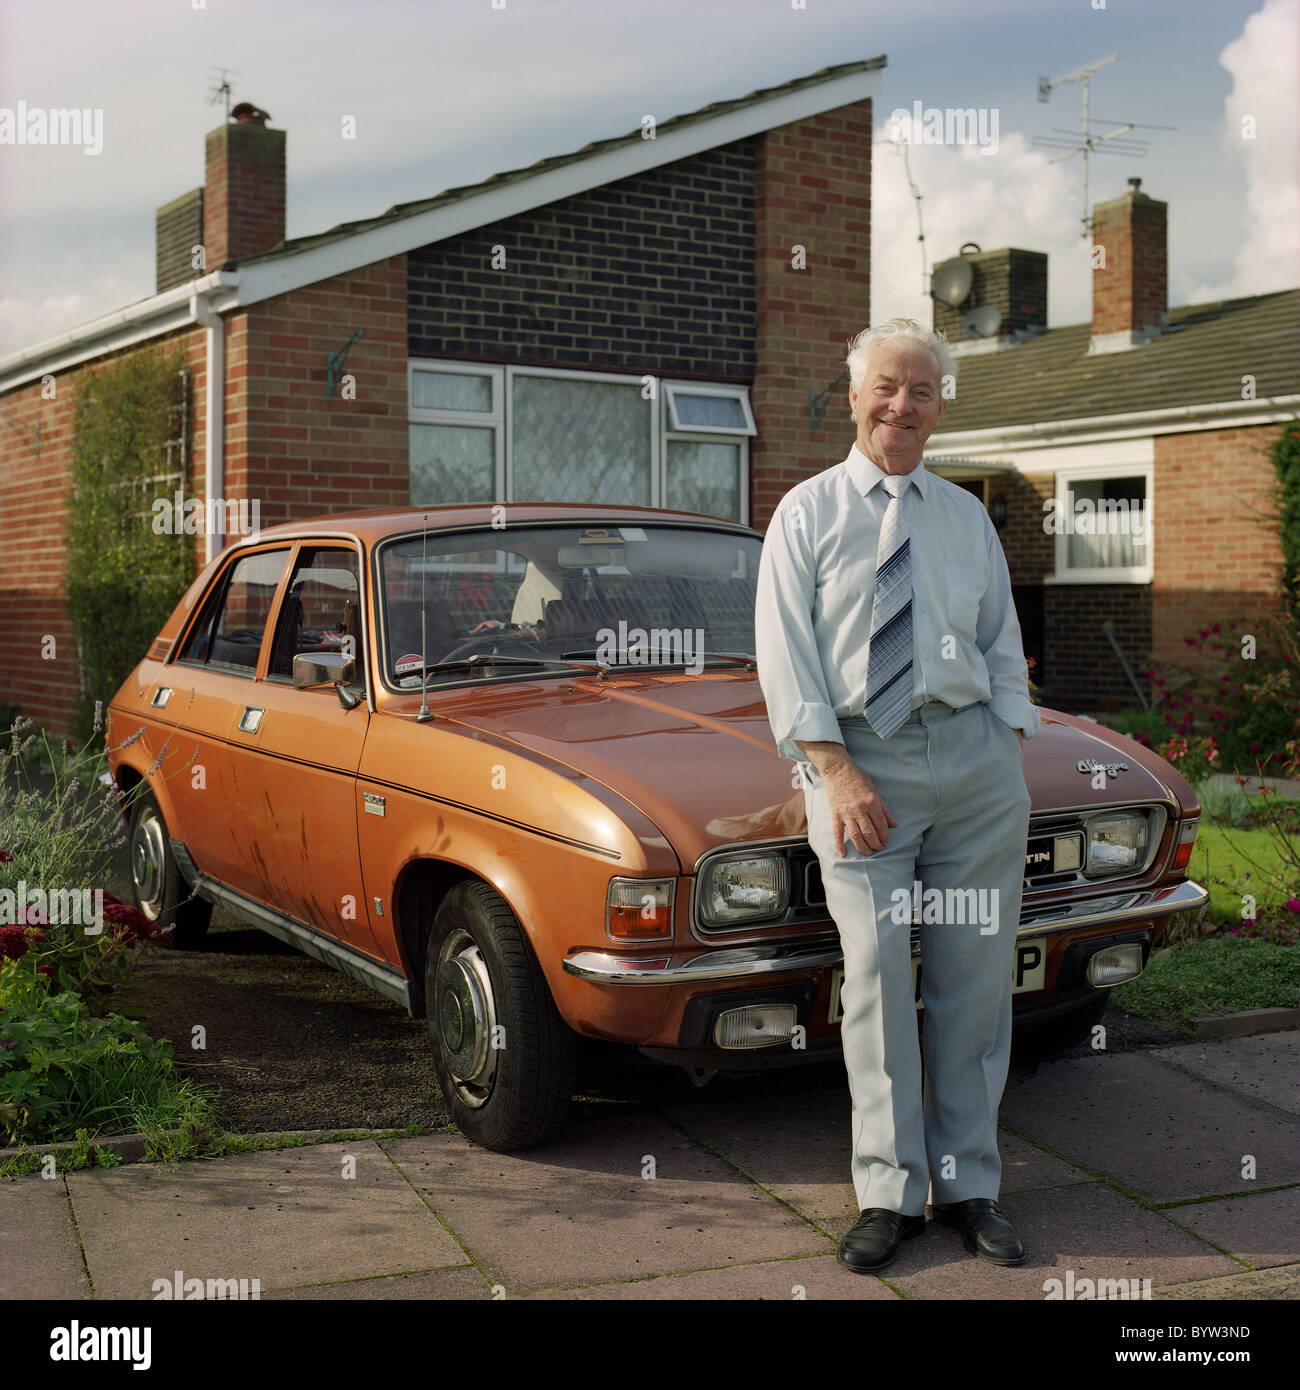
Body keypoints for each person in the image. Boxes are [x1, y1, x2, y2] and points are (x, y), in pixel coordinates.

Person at [754, 317, 1040, 1273]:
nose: (902, 405)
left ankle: (969, 1186)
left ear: (940, 405)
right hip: (860, 766)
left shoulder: (964, 516)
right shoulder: (807, 514)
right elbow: (787, 661)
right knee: (875, 977)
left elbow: (1002, 641)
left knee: (974, 983)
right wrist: (835, 773)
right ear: (854, 395)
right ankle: (889, 1192)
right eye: (887, 386)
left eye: (922, 390)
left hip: (974, 769)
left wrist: (1005, 741)